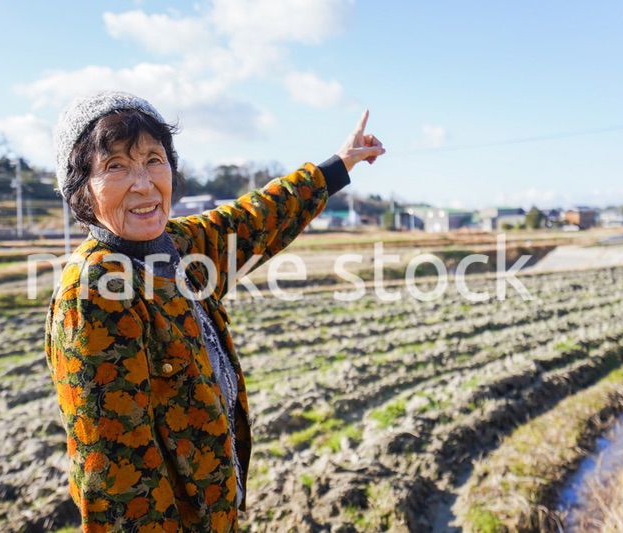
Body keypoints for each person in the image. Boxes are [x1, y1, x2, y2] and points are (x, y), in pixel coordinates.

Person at [44, 90, 385, 532]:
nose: (144, 183)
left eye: (153, 160)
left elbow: (256, 218)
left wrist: (339, 165)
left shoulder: (177, 246)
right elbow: (116, 479)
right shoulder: (95, 294)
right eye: (116, 167)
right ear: (82, 192)